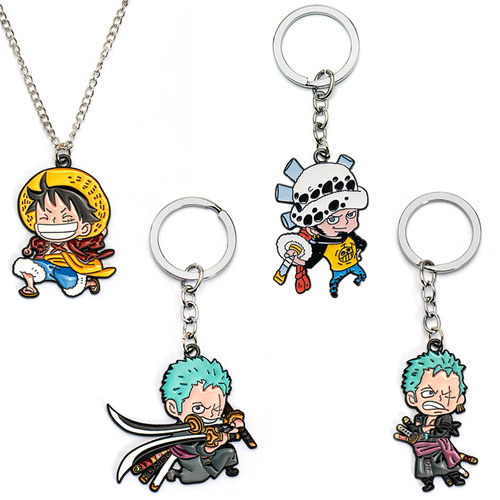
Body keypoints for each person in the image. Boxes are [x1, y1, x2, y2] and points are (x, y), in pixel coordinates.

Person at [13, 171, 115, 297]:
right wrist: (29, 249)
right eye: (44, 218)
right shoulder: (42, 241)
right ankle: (30, 287)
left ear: (84, 228)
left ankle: (89, 283)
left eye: (66, 219)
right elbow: (34, 243)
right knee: (25, 267)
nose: (54, 222)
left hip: (66, 268)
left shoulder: (75, 243)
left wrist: (100, 235)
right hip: (44, 264)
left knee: (70, 282)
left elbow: (89, 242)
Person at [397, 349, 476, 491]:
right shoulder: (419, 417)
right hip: (422, 450)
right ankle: (428, 482)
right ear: (412, 398)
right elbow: (415, 429)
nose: (439, 399)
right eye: (428, 393)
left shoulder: (446, 417)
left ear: (459, 399)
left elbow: (443, 430)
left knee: (446, 465)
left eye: (448, 395)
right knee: (424, 469)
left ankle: (453, 476)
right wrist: (419, 430)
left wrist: (427, 430)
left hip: (439, 449)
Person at [160, 356, 244, 484]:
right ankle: (178, 474)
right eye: (198, 408)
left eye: (217, 408)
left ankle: (229, 468)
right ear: (173, 408)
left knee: (229, 451)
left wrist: (233, 427)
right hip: (191, 456)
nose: (211, 415)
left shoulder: (213, 421)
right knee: (199, 474)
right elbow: (190, 446)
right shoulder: (183, 429)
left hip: (211, 452)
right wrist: (208, 448)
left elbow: (221, 430)